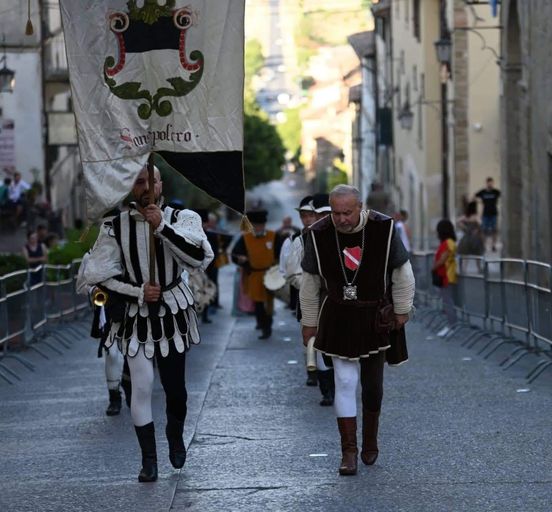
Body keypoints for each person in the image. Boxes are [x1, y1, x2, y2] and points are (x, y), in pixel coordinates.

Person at [80, 165, 214, 483]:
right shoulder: (115, 226)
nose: (145, 187)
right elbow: (96, 276)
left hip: (173, 313)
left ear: (160, 183)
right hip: (134, 316)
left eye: (149, 180)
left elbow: (198, 258)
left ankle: (175, 433)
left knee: (176, 390)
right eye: (138, 182)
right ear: (131, 188)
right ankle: (148, 460)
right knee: (140, 388)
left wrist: (162, 227)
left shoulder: (185, 219)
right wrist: (137, 291)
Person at [300, 184, 415, 476]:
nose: (341, 219)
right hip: (337, 315)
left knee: (373, 387)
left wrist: (402, 309)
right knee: (345, 380)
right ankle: (348, 451)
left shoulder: (384, 229)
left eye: (347, 213)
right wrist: (309, 322)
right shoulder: (317, 234)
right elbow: (310, 283)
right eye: (336, 213)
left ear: (360, 207)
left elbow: (402, 271)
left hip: (374, 315)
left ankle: (370, 440)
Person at [231, 210, 277, 340]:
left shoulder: (273, 236)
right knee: (258, 303)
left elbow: (280, 254)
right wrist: (241, 259)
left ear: (264, 225)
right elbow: (235, 254)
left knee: (268, 302)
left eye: (260, 225)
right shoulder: (245, 238)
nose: (258, 228)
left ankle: (267, 326)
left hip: (270, 274)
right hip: (254, 275)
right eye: (255, 225)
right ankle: (262, 324)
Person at [432, 219, 458, 337]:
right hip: (444, 275)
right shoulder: (447, 242)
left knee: (448, 302)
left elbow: (442, 259)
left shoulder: (448, 243)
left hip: (447, 275)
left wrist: (434, 267)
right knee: (446, 301)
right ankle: (450, 324)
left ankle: (452, 325)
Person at [457, 201, 484, 272]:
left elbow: (458, 221)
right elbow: (481, 224)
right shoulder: (475, 217)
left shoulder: (465, 217)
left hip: (466, 237)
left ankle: (464, 269)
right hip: (475, 238)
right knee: (477, 254)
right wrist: (477, 230)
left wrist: (464, 228)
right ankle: (479, 268)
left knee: (465, 254)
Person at [475, 177, 501, 251]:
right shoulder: (483, 192)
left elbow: (502, 195)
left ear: (493, 183)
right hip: (485, 214)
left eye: (491, 182)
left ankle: (493, 245)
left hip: (493, 213)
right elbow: (475, 196)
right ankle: (484, 245)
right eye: (488, 182)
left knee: (494, 230)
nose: (490, 184)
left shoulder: (496, 192)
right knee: (484, 230)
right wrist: (480, 202)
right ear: (486, 183)